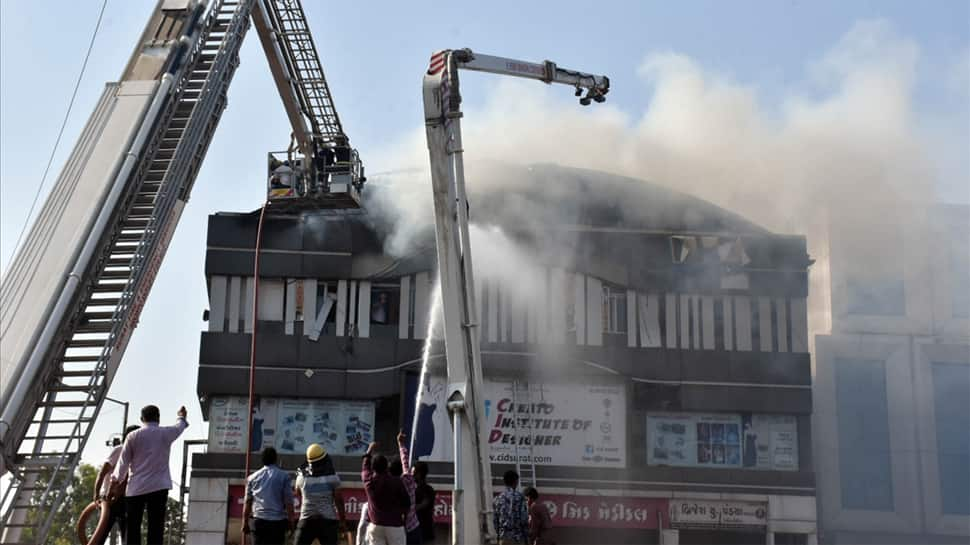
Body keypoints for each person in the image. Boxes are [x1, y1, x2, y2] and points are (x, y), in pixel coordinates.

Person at [111, 405, 188, 545]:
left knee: (133, 528)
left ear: (142, 419)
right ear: (158, 418)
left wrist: (114, 483)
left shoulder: (132, 436)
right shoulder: (165, 433)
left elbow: (122, 464)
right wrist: (181, 416)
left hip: (135, 489)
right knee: (156, 528)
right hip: (159, 487)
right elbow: (179, 427)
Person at [92, 425, 140, 545]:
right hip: (110, 499)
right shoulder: (119, 450)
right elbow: (102, 472)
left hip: (126, 499)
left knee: (129, 536)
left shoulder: (138, 453)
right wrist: (97, 494)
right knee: (101, 534)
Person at [294, 443, 347, 545]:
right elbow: (339, 500)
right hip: (327, 522)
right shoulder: (333, 477)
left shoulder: (301, 477)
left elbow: (297, 493)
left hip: (306, 520)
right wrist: (342, 520)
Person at [242, 447, 295, 545]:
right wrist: (292, 522)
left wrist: (244, 522)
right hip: (277, 524)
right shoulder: (284, 476)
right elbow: (289, 502)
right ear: (275, 459)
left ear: (262, 460)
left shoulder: (252, 478)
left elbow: (247, 502)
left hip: (258, 522)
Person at [361, 442, 410, 545]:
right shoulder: (396, 482)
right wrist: (402, 515)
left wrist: (369, 451)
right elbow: (406, 502)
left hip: (375, 524)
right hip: (395, 525)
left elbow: (365, 467)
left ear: (373, 468)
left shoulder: (369, 481)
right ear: (387, 466)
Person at [392, 431, 421, 544]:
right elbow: (405, 461)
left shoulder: (390, 486)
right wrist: (400, 444)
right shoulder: (408, 479)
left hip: (397, 529)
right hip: (413, 526)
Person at [492, 470, 528, 545]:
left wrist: (499, 537)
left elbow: (495, 521)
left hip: (504, 538)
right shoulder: (520, 497)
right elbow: (523, 519)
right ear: (516, 481)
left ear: (504, 482)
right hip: (517, 538)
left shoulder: (497, 499)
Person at [412, 461, 435, 544]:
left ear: (419, 474)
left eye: (414, 473)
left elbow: (423, 504)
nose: (412, 475)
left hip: (425, 531)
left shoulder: (428, 490)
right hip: (413, 531)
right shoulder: (412, 489)